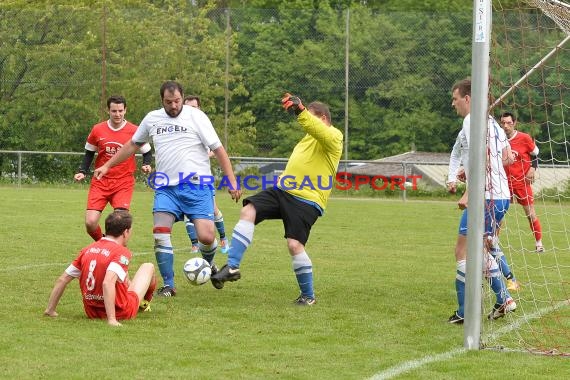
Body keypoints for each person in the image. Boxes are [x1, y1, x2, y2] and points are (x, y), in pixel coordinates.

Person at [94, 81, 241, 297]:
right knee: (160, 233)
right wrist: (107, 165)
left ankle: (207, 266)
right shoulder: (152, 118)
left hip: (197, 187)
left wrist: (231, 181)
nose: (173, 106)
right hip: (166, 188)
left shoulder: (196, 117)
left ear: (183, 98)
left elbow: (218, 149)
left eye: (177, 101)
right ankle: (168, 285)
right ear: (162, 100)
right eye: (168, 102)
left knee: (207, 237)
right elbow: (133, 145)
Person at [210, 93, 343, 306]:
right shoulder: (306, 140)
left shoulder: (334, 136)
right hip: (282, 191)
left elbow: (319, 132)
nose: (307, 119)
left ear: (324, 119)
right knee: (248, 210)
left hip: (307, 200)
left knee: (294, 245)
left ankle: (308, 296)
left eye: (311, 115)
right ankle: (232, 266)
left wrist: (301, 111)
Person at [446, 78, 517, 324]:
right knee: (481, 248)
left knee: (463, 250)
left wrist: (470, 191)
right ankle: (504, 298)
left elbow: (480, 156)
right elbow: (508, 158)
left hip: (485, 197)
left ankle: (465, 312)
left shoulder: (470, 121)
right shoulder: (494, 124)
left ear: (467, 98)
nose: (453, 104)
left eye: (455, 99)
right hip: (502, 196)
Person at [44, 210, 157, 326]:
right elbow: (107, 283)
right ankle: (145, 303)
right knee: (148, 267)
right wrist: (112, 319)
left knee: (124, 276)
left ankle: (49, 310)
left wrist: (50, 309)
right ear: (125, 232)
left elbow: (63, 279)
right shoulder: (121, 252)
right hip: (121, 311)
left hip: (92, 312)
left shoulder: (87, 249)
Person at [74, 95, 153, 241]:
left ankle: (118, 251)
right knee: (90, 223)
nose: (117, 114)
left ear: (125, 110)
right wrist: (82, 171)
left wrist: (146, 164)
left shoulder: (135, 130)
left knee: (120, 222)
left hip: (123, 182)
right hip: (101, 181)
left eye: (120, 111)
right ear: (108, 110)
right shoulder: (98, 129)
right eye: (114, 111)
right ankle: (103, 243)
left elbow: (147, 152)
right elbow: (89, 153)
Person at [182, 95, 229, 255]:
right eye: (187, 107)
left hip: (202, 178)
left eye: (194, 107)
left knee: (214, 210)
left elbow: (215, 150)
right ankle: (195, 244)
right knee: (188, 214)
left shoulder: (202, 124)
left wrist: (202, 156)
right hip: (183, 178)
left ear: (199, 108)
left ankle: (223, 238)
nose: (191, 110)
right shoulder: (180, 127)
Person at [499, 112, 544, 253]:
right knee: (498, 213)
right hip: (504, 183)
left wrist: (533, 168)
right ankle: (493, 243)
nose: (506, 126)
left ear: (514, 123)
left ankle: (539, 243)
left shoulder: (524, 138)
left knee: (530, 213)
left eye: (509, 123)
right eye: (503, 123)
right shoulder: (498, 139)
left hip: (522, 183)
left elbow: (535, 154)